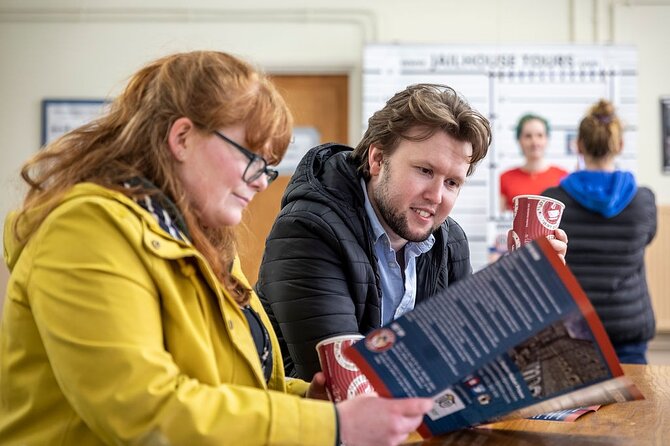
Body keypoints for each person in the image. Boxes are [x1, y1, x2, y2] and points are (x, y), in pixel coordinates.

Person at [0, 51, 433, 446]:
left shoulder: (202, 243)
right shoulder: (85, 230)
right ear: (182, 138)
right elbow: (143, 412)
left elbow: (239, 386)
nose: (262, 181)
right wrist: (333, 428)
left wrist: (313, 404)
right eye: (251, 157)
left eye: (268, 165)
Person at [256, 83, 568, 380]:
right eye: (425, 171)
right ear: (378, 159)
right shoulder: (309, 231)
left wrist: (521, 290)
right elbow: (344, 383)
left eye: (452, 183)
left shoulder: (449, 242)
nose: (436, 196)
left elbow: (469, 359)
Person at [542, 99, 657, 364]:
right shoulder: (644, 201)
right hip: (628, 326)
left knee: (579, 406)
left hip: (573, 327)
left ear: (579, 145)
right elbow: (646, 238)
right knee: (633, 406)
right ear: (619, 146)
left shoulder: (552, 202)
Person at [499, 113, 568, 212]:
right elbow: (499, 221)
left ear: (547, 139)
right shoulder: (505, 178)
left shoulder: (563, 177)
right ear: (519, 140)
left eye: (540, 135)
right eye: (528, 136)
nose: (534, 142)